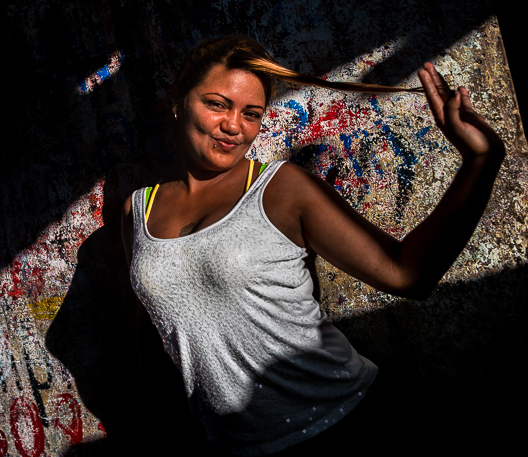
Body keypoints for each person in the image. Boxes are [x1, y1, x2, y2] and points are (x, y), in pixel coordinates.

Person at [120, 35, 505, 455]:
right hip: (233, 447)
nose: (234, 126)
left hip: (343, 425)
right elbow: (153, 330)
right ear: (178, 103)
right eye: (217, 104)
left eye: (251, 113)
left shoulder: (281, 189)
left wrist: (480, 163)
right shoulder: (138, 210)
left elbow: (407, 274)